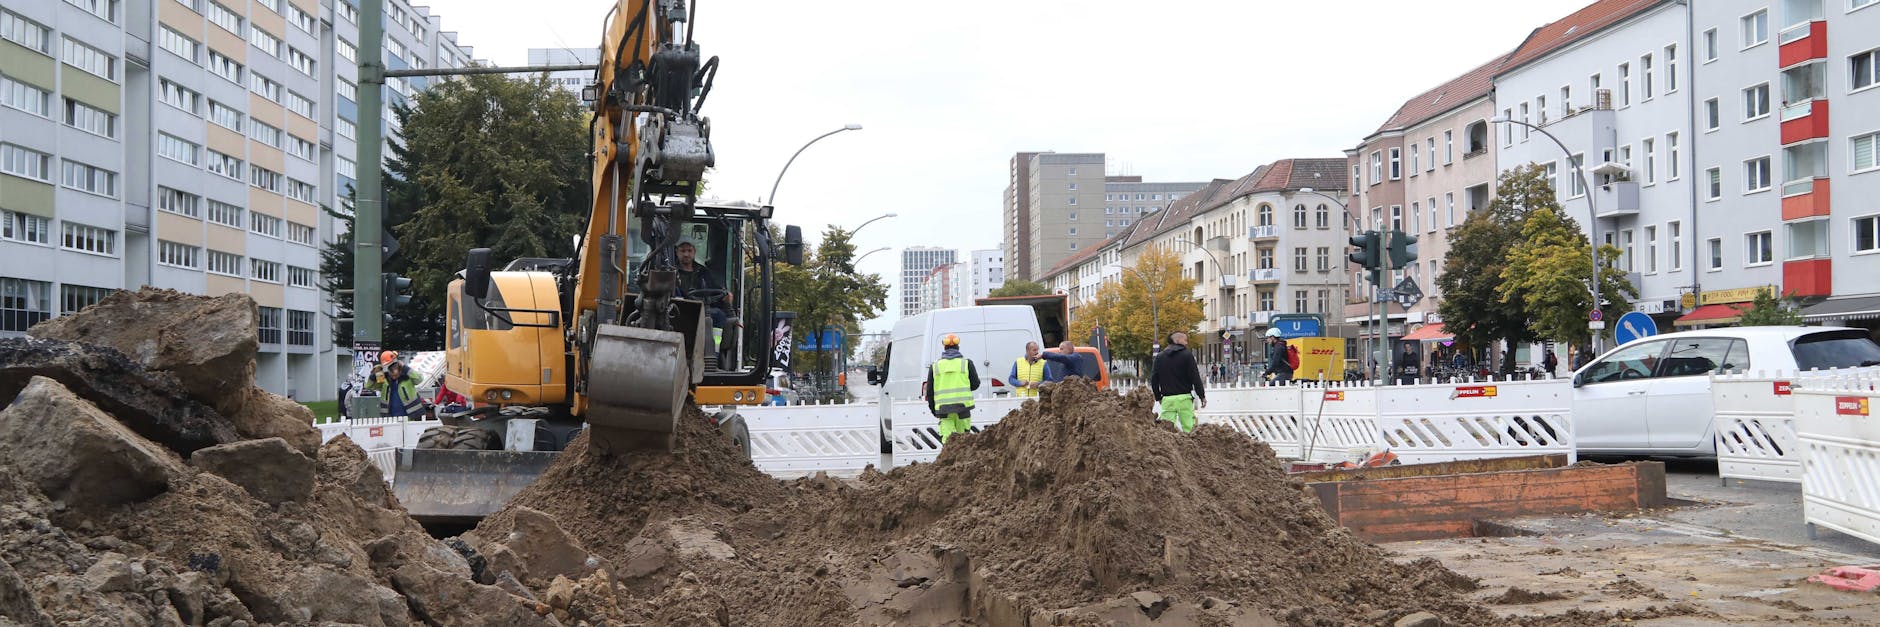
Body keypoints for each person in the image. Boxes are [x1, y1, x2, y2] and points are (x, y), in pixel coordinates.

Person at [675, 241, 732, 352]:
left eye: (689, 251)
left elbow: (715, 291)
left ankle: (714, 352)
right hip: (679, 310)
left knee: (719, 315)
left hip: (703, 310)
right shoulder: (672, 272)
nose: (686, 254)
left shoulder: (703, 272)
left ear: (694, 252)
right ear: (677, 252)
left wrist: (725, 297)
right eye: (682, 251)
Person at [923, 334, 981, 444]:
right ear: (958, 347)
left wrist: (934, 410)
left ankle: (948, 461)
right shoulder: (966, 363)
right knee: (965, 442)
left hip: (943, 411)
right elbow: (975, 384)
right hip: (963, 409)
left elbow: (930, 392)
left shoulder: (935, 366)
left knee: (947, 443)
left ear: (944, 348)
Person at [1150, 332, 1207, 433]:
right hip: (1185, 399)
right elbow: (1195, 377)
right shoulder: (1187, 355)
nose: (1186, 343)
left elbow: (1154, 380)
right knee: (1190, 429)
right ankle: (1191, 447)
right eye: (1185, 340)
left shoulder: (1159, 357)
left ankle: (1168, 448)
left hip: (1167, 400)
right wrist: (1201, 395)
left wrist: (1158, 397)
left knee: (1166, 430)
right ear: (1177, 340)